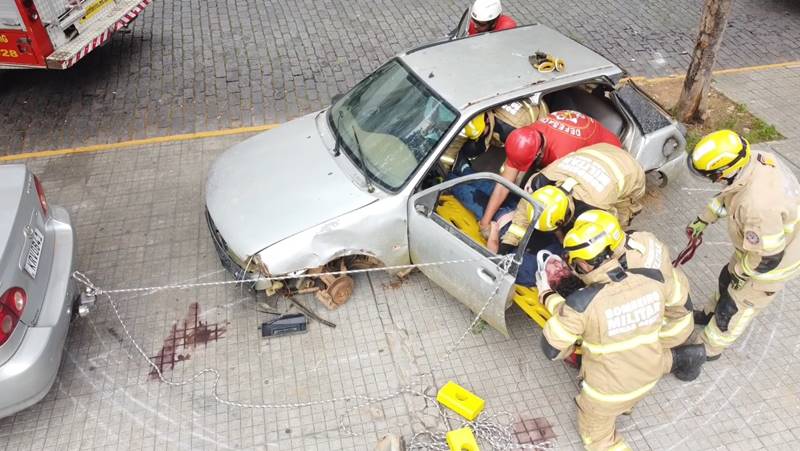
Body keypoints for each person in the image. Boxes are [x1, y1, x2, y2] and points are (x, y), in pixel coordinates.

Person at [536, 218, 706, 451]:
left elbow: (552, 349)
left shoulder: (582, 304)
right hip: (650, 371)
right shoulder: (651, 277)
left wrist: (550, 298)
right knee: (641, 354)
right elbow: (681, 305)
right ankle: (685, 356)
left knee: (599, 441)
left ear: (583, 266)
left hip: (608, 394)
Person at [685, 130, 800, 360]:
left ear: (723, 172)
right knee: (726, 280)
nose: (711, 180)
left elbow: (769, 258)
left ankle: (708, 349)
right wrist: (704, 218)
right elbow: (729, 194)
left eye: (711, 175)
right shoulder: (754, 160)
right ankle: (709, 314)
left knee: (735, 306)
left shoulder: (757, 206)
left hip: (772, 264)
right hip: (756, 249)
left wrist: (742, 272)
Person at [479, 111, 622, 238]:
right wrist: (485, 222)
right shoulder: (525, 137)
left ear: (539, 153)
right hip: (577, 137)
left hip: (607, 151)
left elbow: (557, 197)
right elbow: (505, 183)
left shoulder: (561, 153)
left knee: (568, 202)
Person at [572, 210, 694, 349]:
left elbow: (611, 310)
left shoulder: (629, 274)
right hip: (679, 296)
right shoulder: (641, 236)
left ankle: (681, 358)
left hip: (668, 327)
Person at [500, 142, 645, 249]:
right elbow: (525, 209)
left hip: (630, 171)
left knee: (620, 222)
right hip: (599, 150)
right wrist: (509, 241)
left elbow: (608, 226)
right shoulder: (540, 181)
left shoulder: (595, 208)